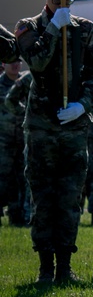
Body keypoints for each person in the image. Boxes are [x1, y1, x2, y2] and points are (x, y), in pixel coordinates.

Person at [13, 0, 93, 284]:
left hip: (74, 126)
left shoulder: (86, 30)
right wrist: (53, 29)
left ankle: (65, 267)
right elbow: (36, 61)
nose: (63, 3)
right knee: (44, 197)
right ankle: (44, 269)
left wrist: (84, 105)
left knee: (69, 198)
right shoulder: (28, 27)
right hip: (41, 126)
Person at [0, 56, 29, 226]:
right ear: (3, 64)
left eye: (18, 61)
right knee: (3, 179)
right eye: (11, 61)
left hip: (22, 140)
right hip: (3, 141)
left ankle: (17, 216)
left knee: (21, 179)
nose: (15, 64)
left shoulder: (25, 83)